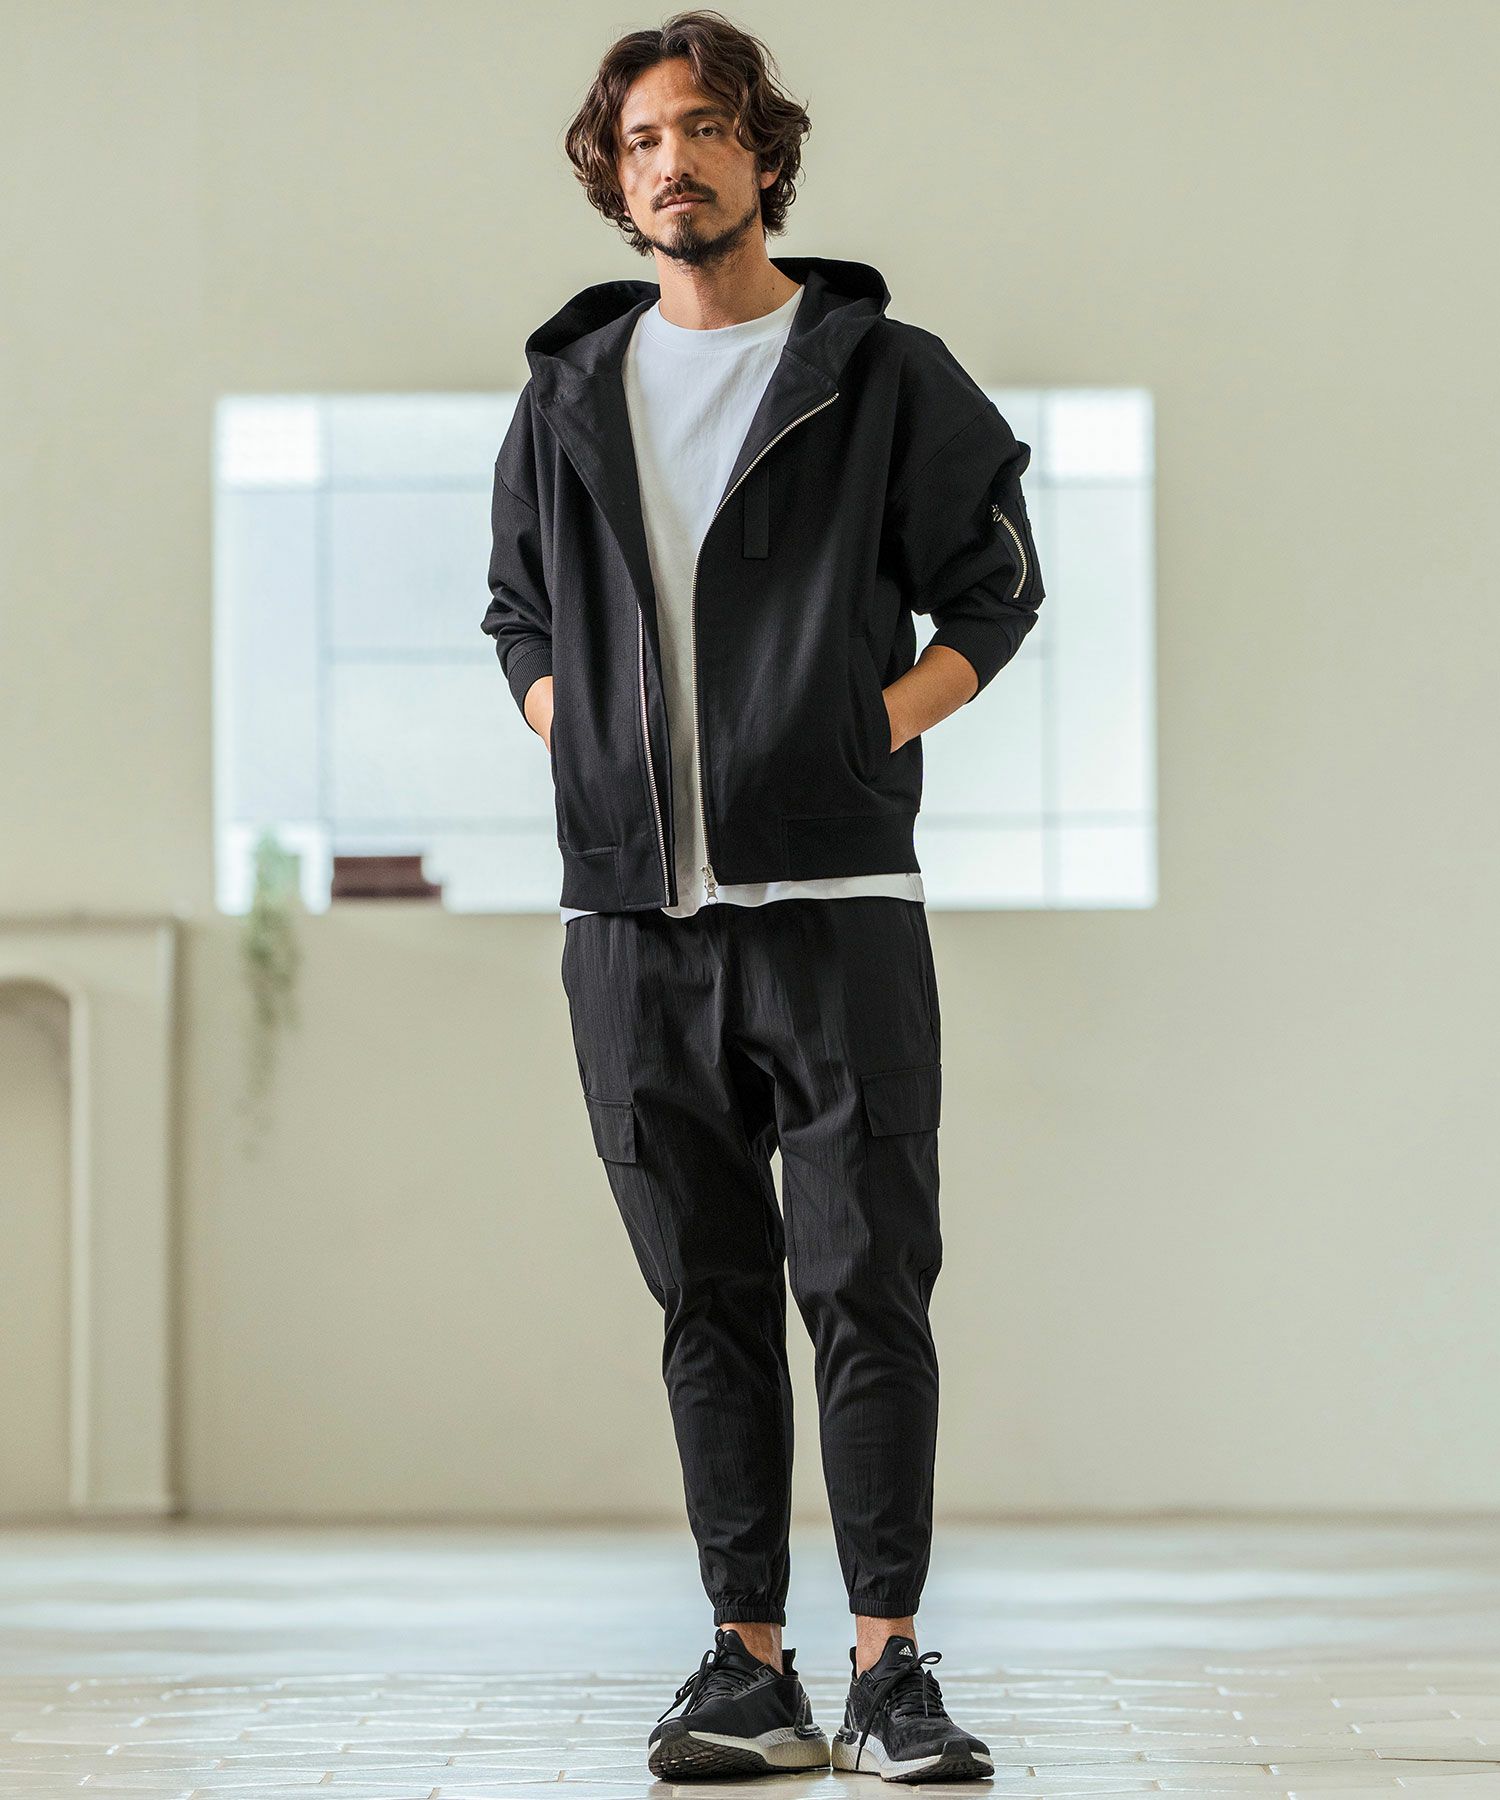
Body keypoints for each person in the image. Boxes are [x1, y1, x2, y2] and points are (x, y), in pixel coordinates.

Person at [482, 8, 1044, 1783]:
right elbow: (519, 615)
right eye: (644, 138)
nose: (676, 161)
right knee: (706, 1297)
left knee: (869, 1287)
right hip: (630, 923)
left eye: (707, 128)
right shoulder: (569, 394)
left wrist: (862, 730)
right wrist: (584, 742)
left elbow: (995, 594)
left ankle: (889, 1670)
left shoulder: (882, 373)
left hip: (837, 901)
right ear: (613, 175)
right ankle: (748, 1670)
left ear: (765, 156)